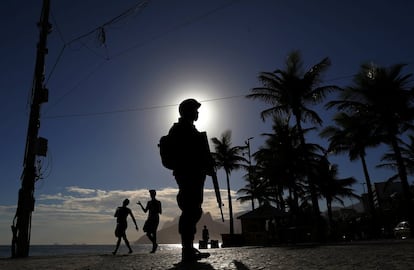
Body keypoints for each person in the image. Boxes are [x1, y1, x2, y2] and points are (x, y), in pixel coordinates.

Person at [167, 98, 215, 263]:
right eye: (195, 110)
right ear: (187, 111)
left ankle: (188, 249)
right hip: (187, 175)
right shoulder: (180, 129)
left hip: (194, 175)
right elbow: (187, 155)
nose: (197, 113)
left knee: (193, 210)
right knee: (190, 210)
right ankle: (186, 251)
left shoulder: (189, 129)